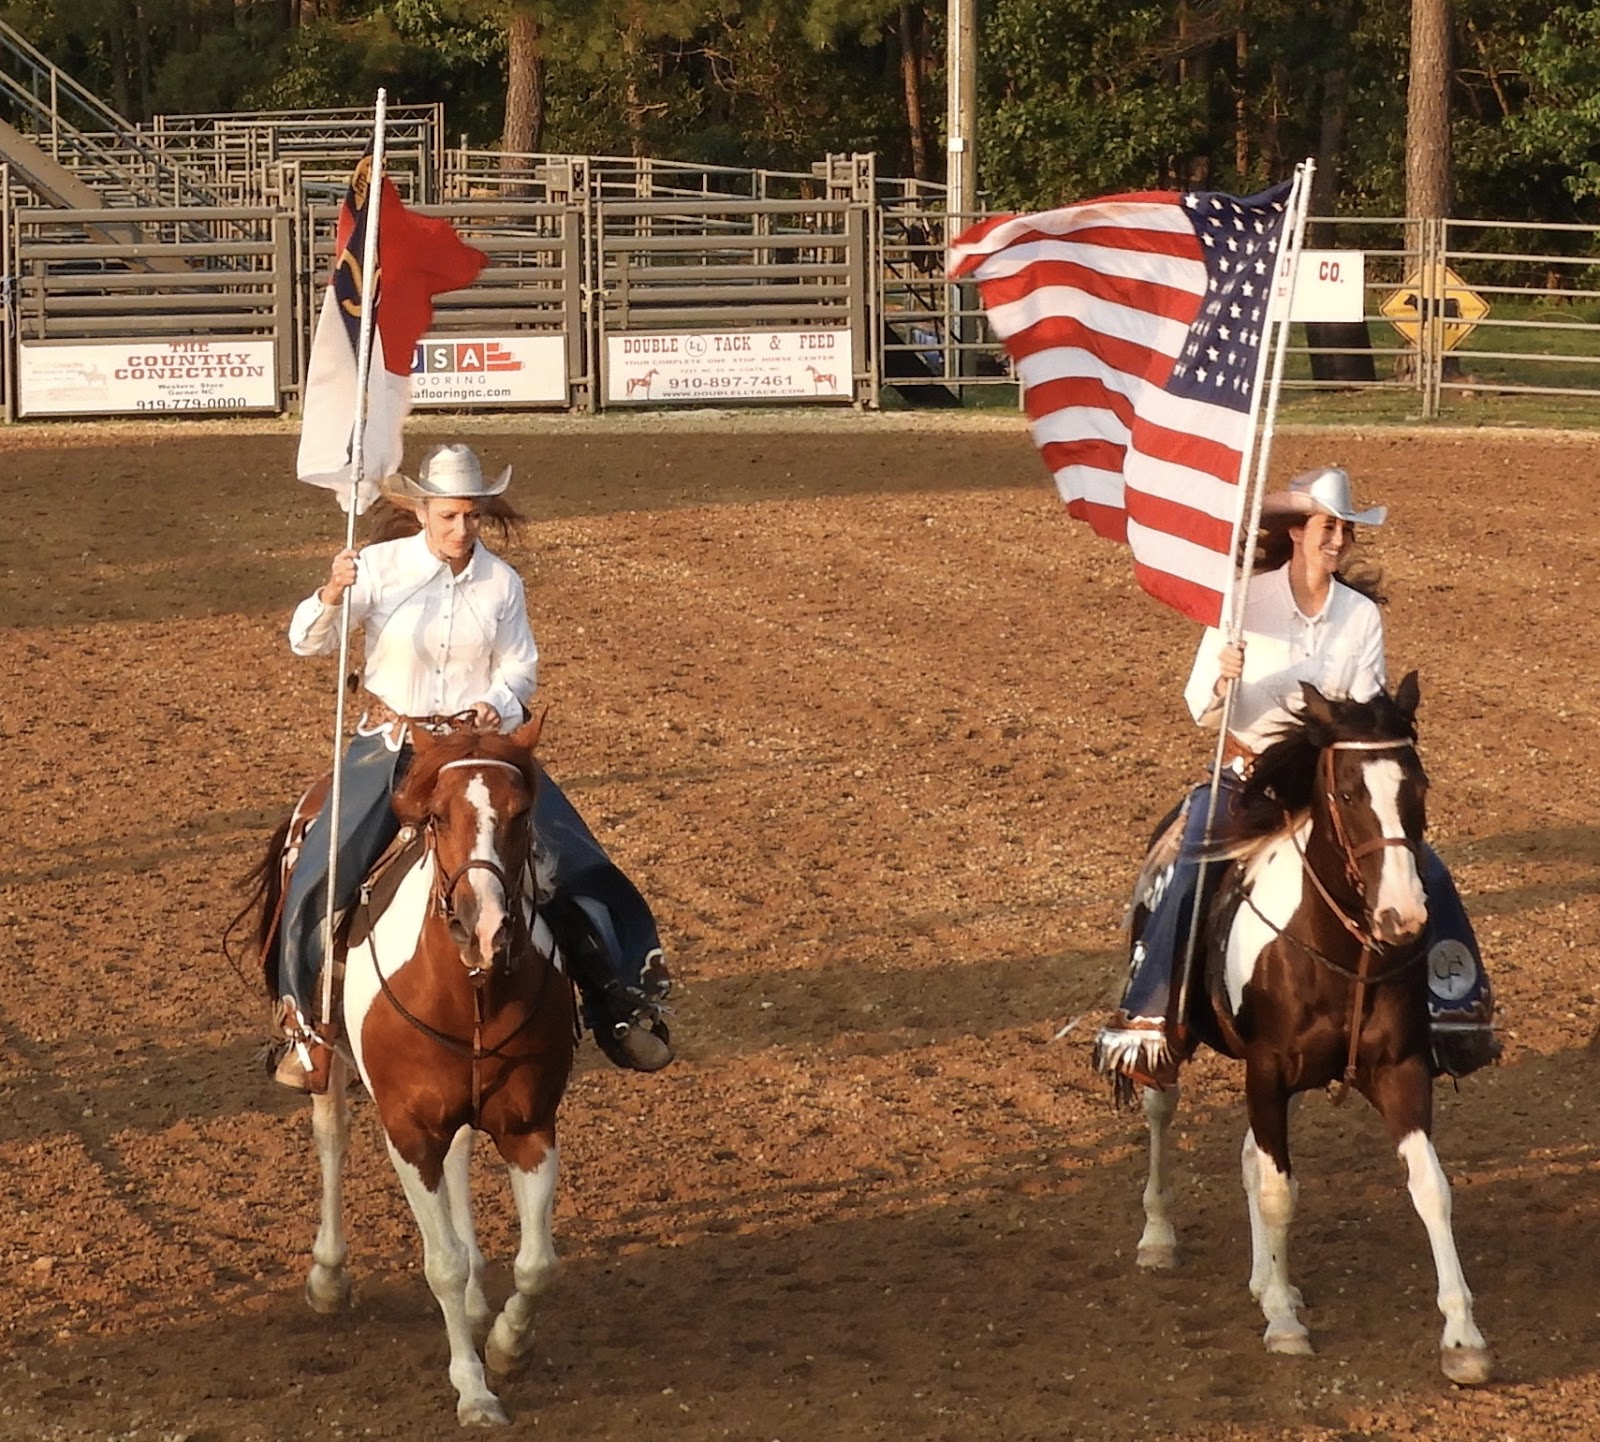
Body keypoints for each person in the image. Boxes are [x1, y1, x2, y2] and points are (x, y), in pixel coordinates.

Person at [270, 442, 673, 1091]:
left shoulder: (500, 581)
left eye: (472, 518)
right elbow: (306, 642)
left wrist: (497, 702)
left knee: (574, 860)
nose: (463, 530)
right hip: (392, 743)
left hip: (479, 746)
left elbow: (520, 666)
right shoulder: (373, 567)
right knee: (323, 865)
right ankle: (305, 1026)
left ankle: (620, 1002)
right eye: (451, 516)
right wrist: (330, 593)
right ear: (423, 511)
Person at [1094, 464, 1498, 1089]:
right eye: (1326, 528)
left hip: (1328, 787)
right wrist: (1221, 676)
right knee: (1191, 868)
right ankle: (1154, 1016)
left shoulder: (1360, 616)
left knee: (1423, 866)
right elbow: (1197, 704)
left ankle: (1453, 1010)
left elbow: (1365, 711)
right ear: (1295, 533)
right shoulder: (1239, 603)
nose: (1337, 540)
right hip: (1248, 777)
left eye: (1345, 530)